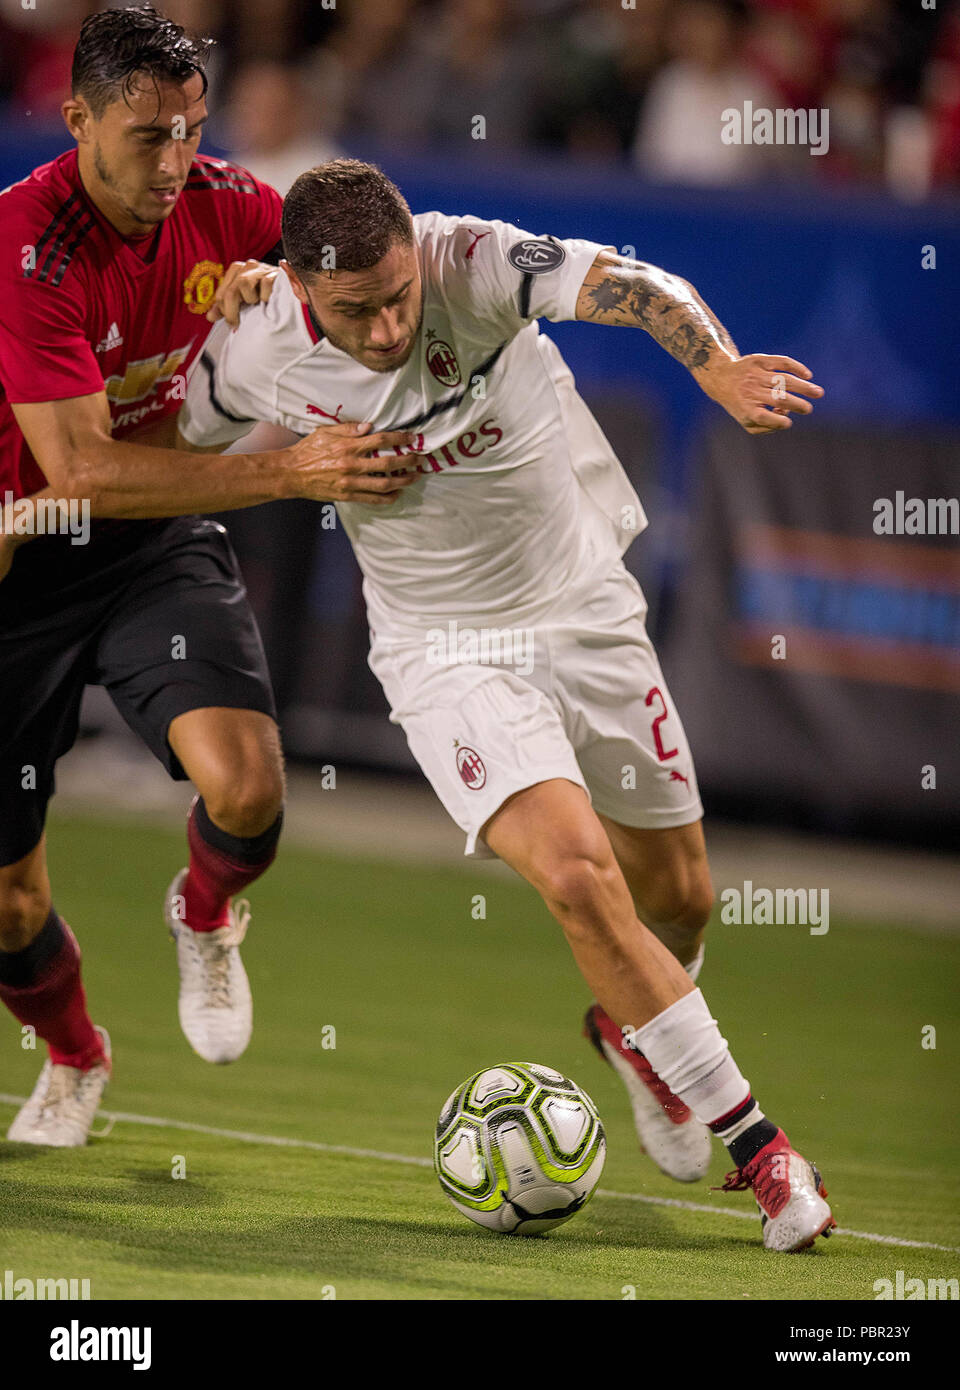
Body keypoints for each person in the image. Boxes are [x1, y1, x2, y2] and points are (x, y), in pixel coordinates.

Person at [176, 158, 834, 1251]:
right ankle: (765, 1154)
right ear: (293, 283)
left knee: (679, 900)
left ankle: (633, 1037)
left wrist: (715, 368)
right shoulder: (252, 345)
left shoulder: (468, 259)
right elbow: (165, 443)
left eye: (397, 296)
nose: (389, 328)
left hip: (582, 607)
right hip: (446, 654)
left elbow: (637, 283)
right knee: (580, 876)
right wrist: (294, 468)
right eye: (356, 310)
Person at [0, 8, 417, 1148]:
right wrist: (289, 468)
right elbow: (77, 466)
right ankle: (77, 1055)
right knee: (8, 902)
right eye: (147, 137)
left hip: (147, 546)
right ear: (77, 118)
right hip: (19, 565)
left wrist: (278, 294)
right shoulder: (27, 243)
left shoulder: (230, 203)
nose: (175, 164)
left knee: (246, 791)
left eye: (191, 131)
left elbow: (351, 265)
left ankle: (204, 910)